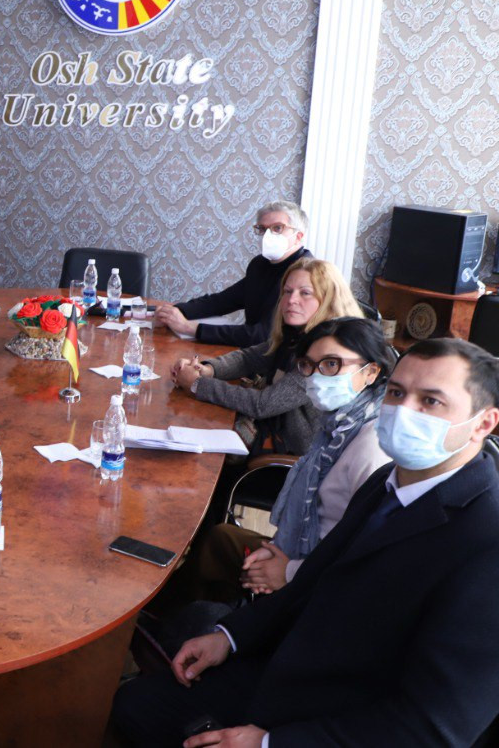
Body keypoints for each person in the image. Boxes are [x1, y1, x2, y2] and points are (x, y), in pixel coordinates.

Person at [112, 337, 499, 747]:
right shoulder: (387, 482)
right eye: (397, 393)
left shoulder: (486, 540)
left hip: (341, 723)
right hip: (290, 671)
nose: (404, 411)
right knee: (133, 706)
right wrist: (230, 636)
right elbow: (314, 580)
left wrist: (270, 743)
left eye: (431, 401)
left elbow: (434, 728)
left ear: (483, 423)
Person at [163, 317, 393, 606]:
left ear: (371, 372)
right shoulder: (336, 427)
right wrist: (278, 550)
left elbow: (366, 556)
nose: (316, 377)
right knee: (219, 540)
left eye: (332, 364)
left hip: (323, 585)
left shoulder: (371, 447)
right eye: (308, 366)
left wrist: (288, 572)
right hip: (298, 551)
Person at [171, 258, 362, 456]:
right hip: (275, 425)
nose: (291, 300)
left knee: (196, 438)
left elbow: (262, 405)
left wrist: (197, 384)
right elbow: (248, 358)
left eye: (305, 293)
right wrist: (207, 369)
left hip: (292, 451)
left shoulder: (325, 354)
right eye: (287, 291)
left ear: (328, 300)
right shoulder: (296, 334)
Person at [156, 202, 311, 348]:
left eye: (277, 228)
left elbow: (263, 335)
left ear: (298, 236)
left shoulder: (305, 273)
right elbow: (223, 301)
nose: (267, 236)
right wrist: (174, 311)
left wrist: (190, 328)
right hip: (253, 355)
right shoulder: (260, 264)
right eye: (263, 229)